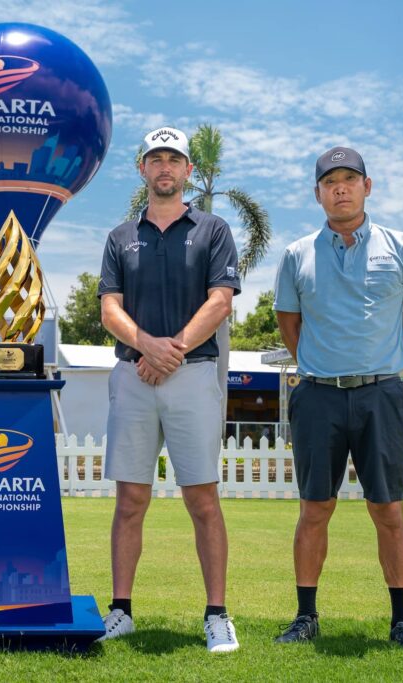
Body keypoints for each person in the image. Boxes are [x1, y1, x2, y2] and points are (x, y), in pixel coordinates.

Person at [273, 146, 403, 653]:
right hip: (318, 396)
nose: (340, 188)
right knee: (314, 508)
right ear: (317, 193)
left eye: (349, 178)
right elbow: (290, 324)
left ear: (368, 186)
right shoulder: (297, 254)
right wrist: (325, 364)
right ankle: (305, 617)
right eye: (330, 181)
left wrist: (381, 361)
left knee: (388, 511)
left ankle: (402, 623)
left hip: (382, 395)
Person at [96, 127, 242, 652]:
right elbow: (109, 308)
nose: (164, 167)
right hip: (134, 374)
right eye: (155, 159)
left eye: (173, 159)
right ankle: (121, 610)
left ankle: (217, 614)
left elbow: (220, 301)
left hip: (193, 373)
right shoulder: (120, 236)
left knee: (202, 497)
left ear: (187, 171)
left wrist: (171, 349)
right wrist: (147, 346)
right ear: (142, 169)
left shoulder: (213, 230)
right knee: (130, 498)